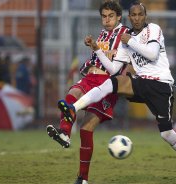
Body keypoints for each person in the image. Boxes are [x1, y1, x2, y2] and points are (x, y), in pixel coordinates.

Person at [58, 2, 176, 184]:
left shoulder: (153, 29)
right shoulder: (126, 40)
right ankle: (73, 108)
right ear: (129, 17)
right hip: (140, 83)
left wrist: (130, 41)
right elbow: (112, 69)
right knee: (113, 82)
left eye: (140, 15)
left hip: (161, 85)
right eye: (133, 15)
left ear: (145, 16)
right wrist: (97, 49)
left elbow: (152, 54)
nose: (136, 18)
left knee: (166, 133)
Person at [46, 2, 129, 184]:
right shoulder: (103, 33)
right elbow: (99, 55)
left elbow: (126, 56)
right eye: (104, 16)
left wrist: (112, 52)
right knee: (71, 94)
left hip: (106, 84)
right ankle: (65, 133)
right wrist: (92, 45)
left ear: (119, 17)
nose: (106, 20)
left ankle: (83, 178)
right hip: (90, 77)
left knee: (86, 130)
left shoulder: (125, 34)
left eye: (110, 16)